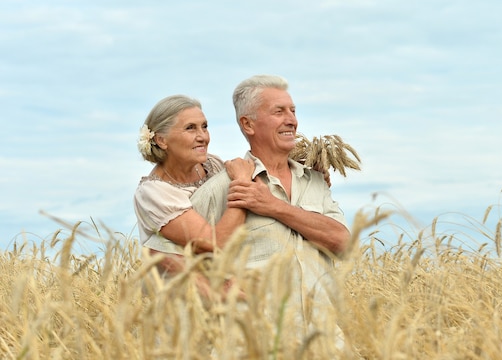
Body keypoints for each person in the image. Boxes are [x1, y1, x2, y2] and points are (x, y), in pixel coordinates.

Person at [191, 75, 351, 344]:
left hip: (324, 343)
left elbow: (343, 244)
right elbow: (180, 260)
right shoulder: (221, 188)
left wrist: (274, 207)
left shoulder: (315, 182)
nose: (292, 120)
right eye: (278, 112)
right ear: (248, 124)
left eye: (293, 111)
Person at [133, 94, 254, 295]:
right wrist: (242, 184)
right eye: (190, 128)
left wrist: (315, 177)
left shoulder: (211, 165)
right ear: (161, 140)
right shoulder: (153, 193)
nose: (203, 136)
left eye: (204, 127)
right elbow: (214, 244)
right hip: (189, 297)